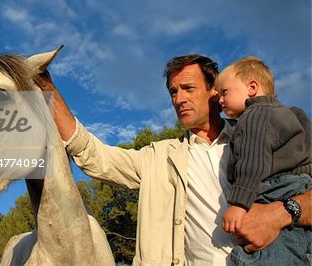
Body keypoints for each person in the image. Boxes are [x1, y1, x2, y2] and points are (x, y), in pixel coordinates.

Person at [37, 54, 312, 265]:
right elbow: (94, 154)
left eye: (189, 88)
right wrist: (47, 88)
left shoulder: (263, 134)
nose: (179, 98)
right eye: (173, 91)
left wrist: (283, 212)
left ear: (214, 93)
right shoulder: (158, 157)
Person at [215, 57, 311, 265]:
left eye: (224, 92)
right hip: (300, 187)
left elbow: (252, 162)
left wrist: (238, 203)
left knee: (266, 256)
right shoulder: (295, 114)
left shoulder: (253, 115)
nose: (220, 100)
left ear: (252, 88)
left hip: (273, 190)